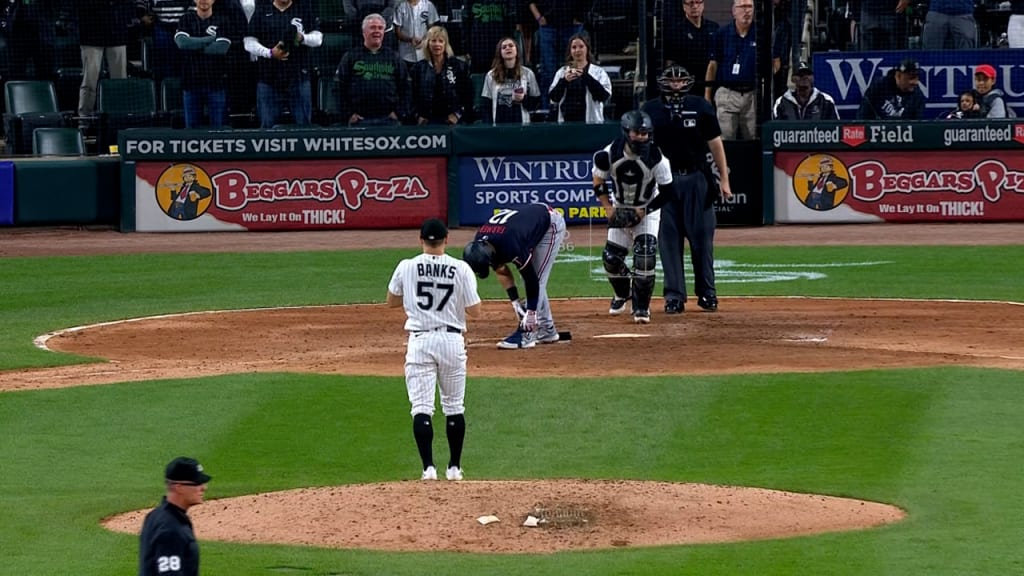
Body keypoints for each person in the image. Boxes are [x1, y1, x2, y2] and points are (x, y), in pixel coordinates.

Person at [387, 218, 481, 481]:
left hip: (420, 341)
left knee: (421, 407)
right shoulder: (461, 268)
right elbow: (475, 311)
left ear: (421, 241)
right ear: (446, 240)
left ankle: (428, 468)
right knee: (454, 406)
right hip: (451, 342)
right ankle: (454, 468)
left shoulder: (406, 266)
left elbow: (391, 302)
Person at [642, 66, 733, 315]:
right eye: (671, 80)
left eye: (681, 79)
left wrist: (724, 179)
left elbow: (715, 143)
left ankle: (707, 293)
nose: (676, 85)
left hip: (696, 177)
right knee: (668, 241)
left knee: (702, 239)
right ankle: (674, 296)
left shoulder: (701, 106)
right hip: (663, 183)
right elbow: (641, 147)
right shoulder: (649, 110)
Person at [591, 110, 674, 324]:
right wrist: (609, 209)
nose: (642, 137)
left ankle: (641, 308)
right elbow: (598, 181)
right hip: (620, 206)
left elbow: (667, 193)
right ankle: (622, 293)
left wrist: (642, 211)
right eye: (638, 133)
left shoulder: (658, 158)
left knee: (644, 258)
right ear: (627, 132)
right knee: (611, 259)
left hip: (648, 209)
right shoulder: (610, 153)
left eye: (646, 133)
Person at [462, 203, 566, 349]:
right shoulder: (481, 245)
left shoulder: (510, 244)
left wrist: (530, 313)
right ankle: (547, 330)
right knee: (531, 280)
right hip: (526, 225)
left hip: (550, 224)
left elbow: (531, 279)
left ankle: (527, 334)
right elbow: (501, 270)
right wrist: (515, 302)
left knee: (536, 278)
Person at [244, 0, 323, 128]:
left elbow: (318, 39)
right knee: (267, 126)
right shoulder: (262, 11)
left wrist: (302, 38)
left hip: (298, 77)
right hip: (268, 78)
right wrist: (269, 53)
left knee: (303, 126)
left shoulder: (303, 9)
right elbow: (248, 42)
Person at [138, 456, 212, 576]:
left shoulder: (156, 515)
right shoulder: (170, 529)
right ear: (179, 487)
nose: (203, 488)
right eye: (197, 483)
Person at [337, 13, 412, 126]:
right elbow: (339, 88)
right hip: (359, 120)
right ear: (363, 32)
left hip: (389, 120)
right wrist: (349, 114)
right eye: (372, 27)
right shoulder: (350, 57)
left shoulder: (394, 57)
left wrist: (399, 113)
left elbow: (406, 88)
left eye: (380, 28)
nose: (377, 31)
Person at [175, 0, 236, 129]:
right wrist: (210, 39)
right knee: (191, 129)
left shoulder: (223, 20)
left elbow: (221, 48)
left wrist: (193, 44)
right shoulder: (186, 19)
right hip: (190, 83)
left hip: (216, 83)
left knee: (218, 129)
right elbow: (182, 43)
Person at [704, 0, 757, 141]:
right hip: (727, 93)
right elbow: (713, 65)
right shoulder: (722, 34)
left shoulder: (760, 33)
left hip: (752, 95)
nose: (747, 11)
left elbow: (773, 63)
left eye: (750, 7)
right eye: (742, 7)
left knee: (752, 139)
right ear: (734, 11)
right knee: (725, 140)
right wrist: (707, 95)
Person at [74, 0, 136, 119]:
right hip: (91, 34)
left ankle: (119, 117)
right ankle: (84, 119)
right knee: (90, 81)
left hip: (117, 33)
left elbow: (129, 4)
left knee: (119, 81)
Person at [410, 25, 474, 125]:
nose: (437, 44)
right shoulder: (418, 69)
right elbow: (411, 96)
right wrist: (417, 116)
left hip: (452, 122)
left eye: (441, 41)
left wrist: (457, 114)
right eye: (433, 40)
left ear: (446, 44)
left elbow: (468, 96)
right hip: (426, 122)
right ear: (428, 43)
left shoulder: (459, 66)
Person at [527, 0, 586, 104]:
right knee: (548, 70)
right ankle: (548, 108)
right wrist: (538, 17)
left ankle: (574, 105)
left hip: (572, 25)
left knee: (573, 67)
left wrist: (581, 16)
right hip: (547, 25)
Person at [546, 33, 610, 123]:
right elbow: (553, 98)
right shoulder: (562, 72)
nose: (577, 50)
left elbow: (604, 96)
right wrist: (564, 81)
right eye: (574, 47)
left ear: (587, 49)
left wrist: (585, 76)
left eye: (581, 46)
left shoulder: (598, 72)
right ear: (570, 50)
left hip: (592, 122)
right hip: (567, 122)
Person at [479, 35, 541, 125]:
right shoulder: (491, 75)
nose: (508, 48)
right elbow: (486, 105)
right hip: (498, 126)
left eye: (511, 46)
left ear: (517, 50)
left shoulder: (528, 73)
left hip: (522, 126)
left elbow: (535, 103)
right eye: (504, 47)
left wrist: (523, 99)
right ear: (499, 52)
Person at [663, 0, 719, 97]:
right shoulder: (675, 31)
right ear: (684, 6)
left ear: (703, 5)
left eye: (698, 2)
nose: (695, 6)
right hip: (686, 86)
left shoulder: (714, 28)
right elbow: (670, 62)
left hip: (710, 84)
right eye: (691, 3)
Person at [856, 58, 925, 120]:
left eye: (917, 77)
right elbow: (863, 114)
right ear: (898, 76)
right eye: (911, 77)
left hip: (904, 132)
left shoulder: (917, 96)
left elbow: (917, 125)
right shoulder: (880, 86)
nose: (915, 82)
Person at [462, 0, 518, 74]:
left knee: (502, 81)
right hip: (478, 51)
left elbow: (511, 26)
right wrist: (466, 49)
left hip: (500, 51)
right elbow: (466, 24)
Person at [141, 0, 192, 81]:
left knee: (185, 63)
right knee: (163, 64)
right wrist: (142, 15)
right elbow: (142, 3)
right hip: (161, 27)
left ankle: (183, 90)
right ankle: (163, 90)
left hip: (184, 28)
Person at [771, 61, 840, 120]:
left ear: (813, 78)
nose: (804, 78)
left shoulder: (826, 101)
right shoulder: (781, 102)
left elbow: (835, 128)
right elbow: (775, 130)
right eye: (800, 75)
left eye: (808, 74)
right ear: (793, 79)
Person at [393, 0, 438, 65]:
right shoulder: (401, 6)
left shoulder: (428, 5)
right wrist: (410, 40)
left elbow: (432, 30)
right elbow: (397, 33)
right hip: (405, 54)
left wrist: (424, 40)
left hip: (425, 53)